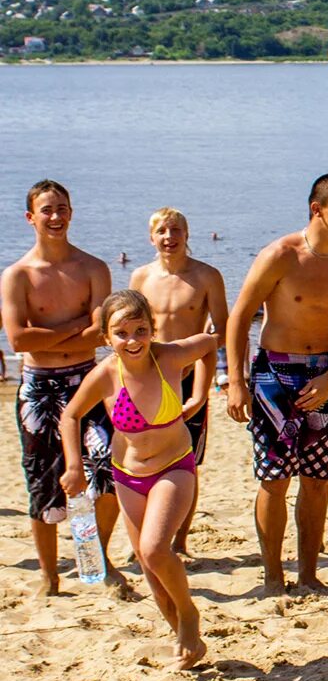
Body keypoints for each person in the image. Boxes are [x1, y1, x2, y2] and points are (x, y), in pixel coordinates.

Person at [226, 174, 328, 594]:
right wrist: (236, 382)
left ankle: (308, 575)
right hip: (275, 374)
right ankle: (273, 576)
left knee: (319, 479)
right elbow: (239, 319)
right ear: (317, 209)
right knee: (273, 478)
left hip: (324, 374)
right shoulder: (281, 255)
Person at [59, 291, 214, 667]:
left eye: (140, 330)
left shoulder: (171, 355)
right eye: (121, 333)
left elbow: (212, 344)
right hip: (128, 476)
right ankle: (185, 639)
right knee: (150, 568)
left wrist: (199, 393)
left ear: (152, 328)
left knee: (155, 549)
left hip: (174, 467)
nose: (132, 340)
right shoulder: (104, 375)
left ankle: (189, 615)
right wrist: (74, 466)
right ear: (106, 339)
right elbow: (70, 416)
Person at [2, 180, 126, 597]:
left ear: (71, 212)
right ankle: (49, 576)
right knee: (43, 478)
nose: (55, 217)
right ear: (30, 217)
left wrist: (51, 334)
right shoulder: (17, 275)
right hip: (37, 386)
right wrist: (77, 328)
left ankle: (97, 558)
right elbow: (18, 341)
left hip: (86, 382)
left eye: (62, 208)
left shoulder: (93, 268)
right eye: (47, 210)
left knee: (106, 466)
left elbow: (101, 335)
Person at [130, 208, 228, 555]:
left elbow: (220, 331)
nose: (169, 237)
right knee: (141, 457)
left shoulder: (206, 276)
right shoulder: (141, 277)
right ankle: (144, 536)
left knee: (186, 461)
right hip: (148, 379)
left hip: (187, 378)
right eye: (162, 231)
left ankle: (181, 540)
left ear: (187, 234)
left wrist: (206, 382)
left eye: (176, 230)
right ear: (151, 237)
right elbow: (129, 331)